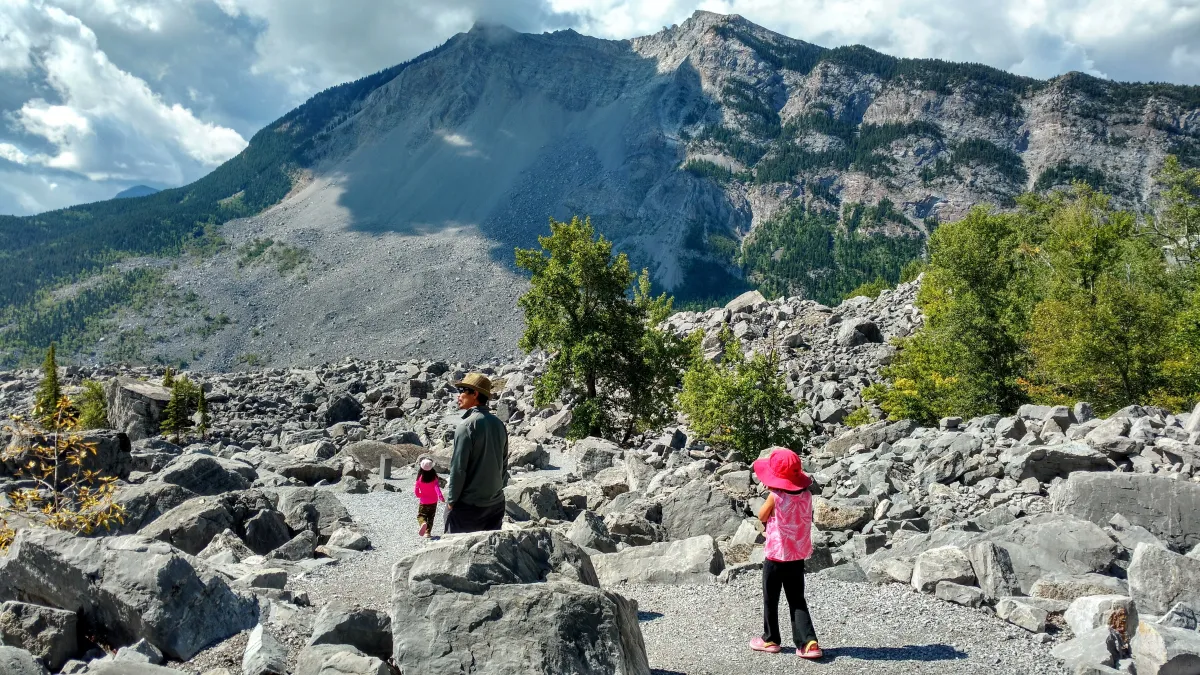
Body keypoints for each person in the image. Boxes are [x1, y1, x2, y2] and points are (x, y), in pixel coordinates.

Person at [749, 446, 823, 660]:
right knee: (797, 599)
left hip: (775, 556)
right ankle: (808, 643)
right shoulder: (807, 495)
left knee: (770, 599)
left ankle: (770, 639)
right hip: (797, 556)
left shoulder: (775, 496)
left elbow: (762, 515)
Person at [444, 372, 509, 534]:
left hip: (469, 507)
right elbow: (504, 463)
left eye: (463, 390)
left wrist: (451, 501)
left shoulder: (466, 427)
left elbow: (458, 469)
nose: (459, 395)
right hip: (495, 504)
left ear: (475, 394)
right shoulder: (499, 424)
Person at [413, 457, 444, 538]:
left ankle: (423, 523)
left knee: (421, 515)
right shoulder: (434, 477)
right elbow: (437, 488)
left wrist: (419, 495)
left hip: (423, 501)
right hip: (433, 501)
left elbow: (416, 490)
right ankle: (427, 533)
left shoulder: (419, 478)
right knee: (431, 517)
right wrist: (440, 497)